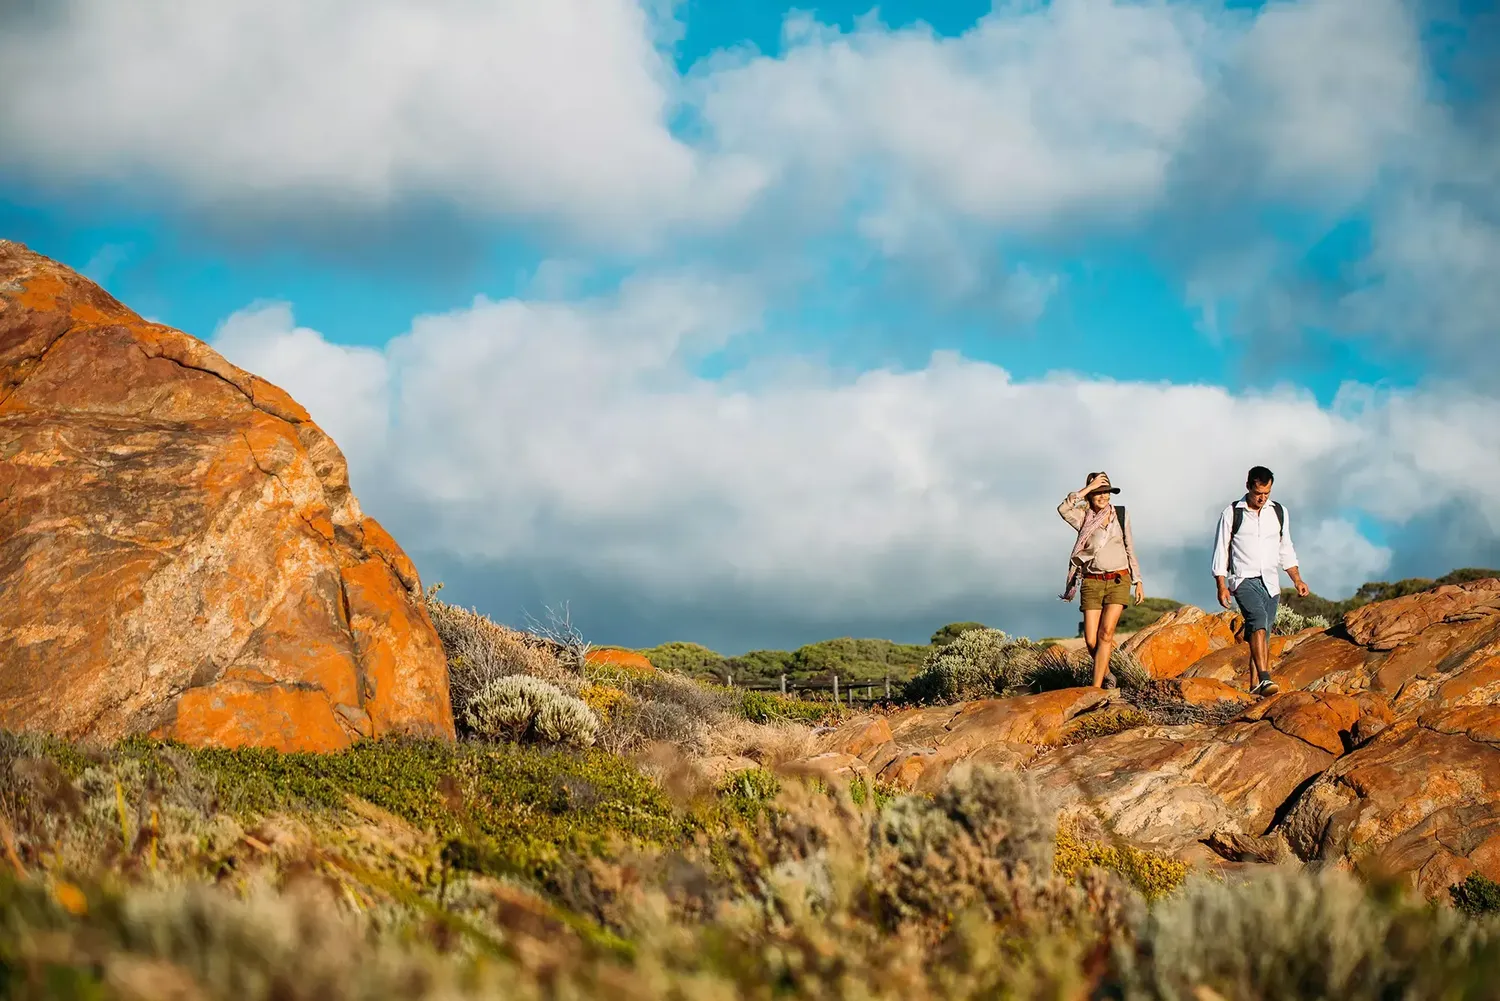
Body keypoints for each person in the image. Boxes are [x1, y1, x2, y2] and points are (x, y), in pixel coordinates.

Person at [1211, 465, 1311, 697]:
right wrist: (1222, 585)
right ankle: (1266, 678)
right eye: (1258, 493)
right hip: (1243, 579)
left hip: (1271, 582)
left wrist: (1297, 579)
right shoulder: (1232, 513)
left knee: (1263, 634)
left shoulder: (1279, 512)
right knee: (1257, 619)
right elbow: (1221, 550)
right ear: (1248, 487)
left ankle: (1256, 686)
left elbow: (1285, 548)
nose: (1262, 498)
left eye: (1267, 494)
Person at [1058, 471, 1145, 689]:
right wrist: (1087, 488)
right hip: (1091, 582)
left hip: (1118, 579)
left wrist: (1138, 580)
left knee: (1105, 634)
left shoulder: (1121, 515)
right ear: (1090, 495)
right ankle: (1107, 673)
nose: (1103, 496)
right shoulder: (1082, 517)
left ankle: (1096, 688)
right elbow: (1063, 509)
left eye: (1106, 491)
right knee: (1090, 640)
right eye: (1098, 492)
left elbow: (1129, 547)